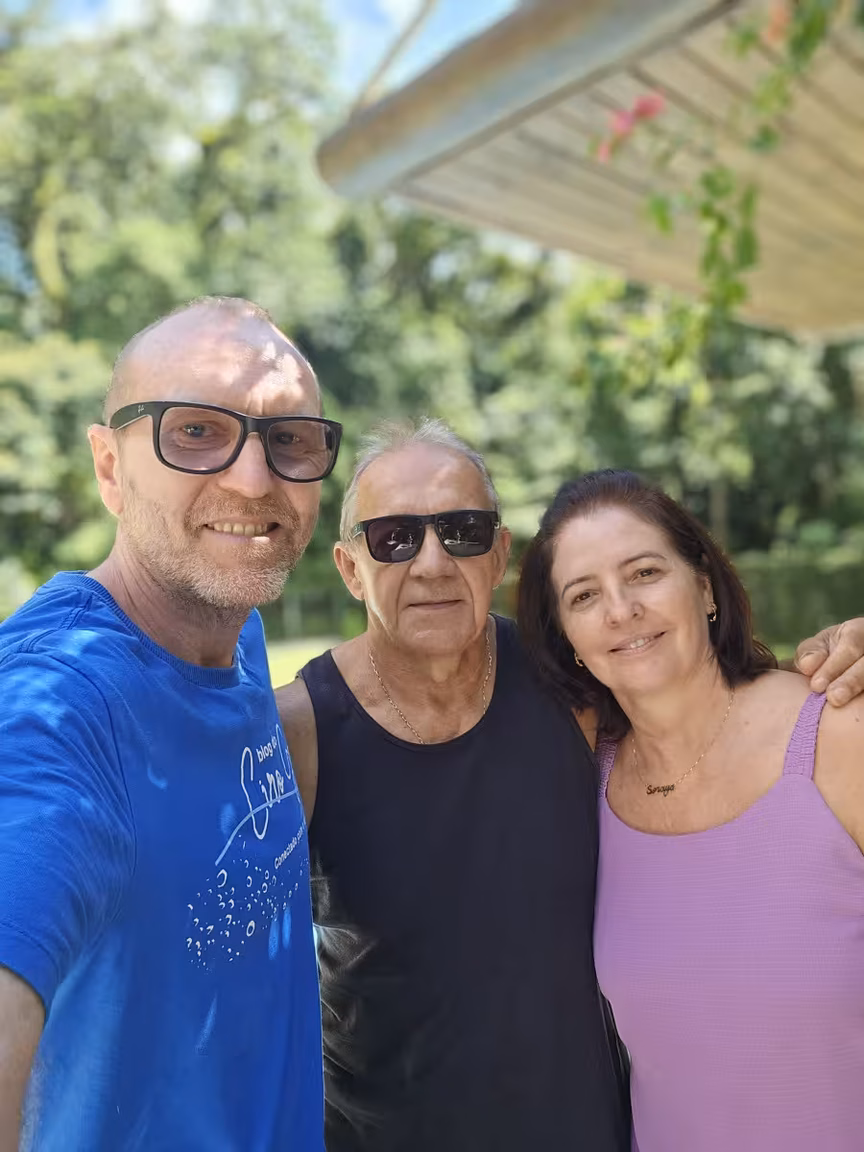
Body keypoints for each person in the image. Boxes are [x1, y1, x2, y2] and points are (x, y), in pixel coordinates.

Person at [276, 420, 864, 1152]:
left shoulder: (572, 697)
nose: (431, 562)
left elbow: (699, 697)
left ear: (498, 554)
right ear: (348, 566)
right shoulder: (295, 734)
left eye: (462, 531)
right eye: (393, 537)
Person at [0, 297, 341, 1151]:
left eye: (289, 439)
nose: (254, 482)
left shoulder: (234, 631)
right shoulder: (57, 709)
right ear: (109, 467)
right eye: (194, 431)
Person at [517, 468, 864, 1152]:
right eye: (584, 595)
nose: (621, 610)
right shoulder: (583, 784)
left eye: (644, 573)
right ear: (568, 639)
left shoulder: (838, 734)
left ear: (704, 586)